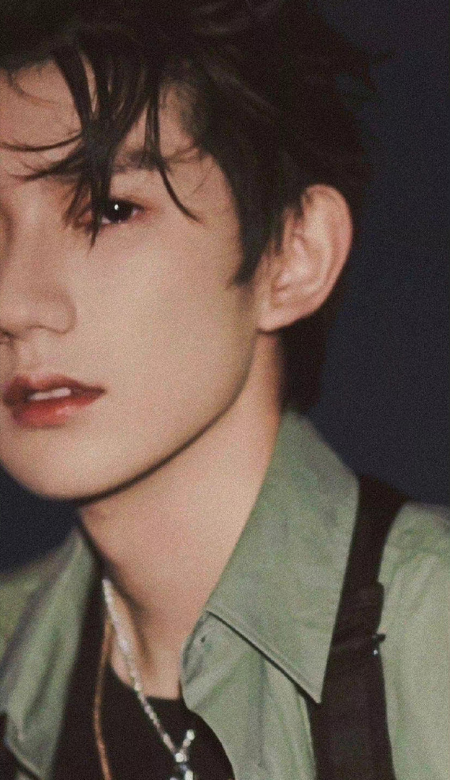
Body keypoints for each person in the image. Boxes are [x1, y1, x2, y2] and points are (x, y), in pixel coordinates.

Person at [0, 1, 448, 779]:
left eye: (111, 209)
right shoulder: (15, 651)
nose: (13, 303)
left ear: (294, 254)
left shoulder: (430, 635)